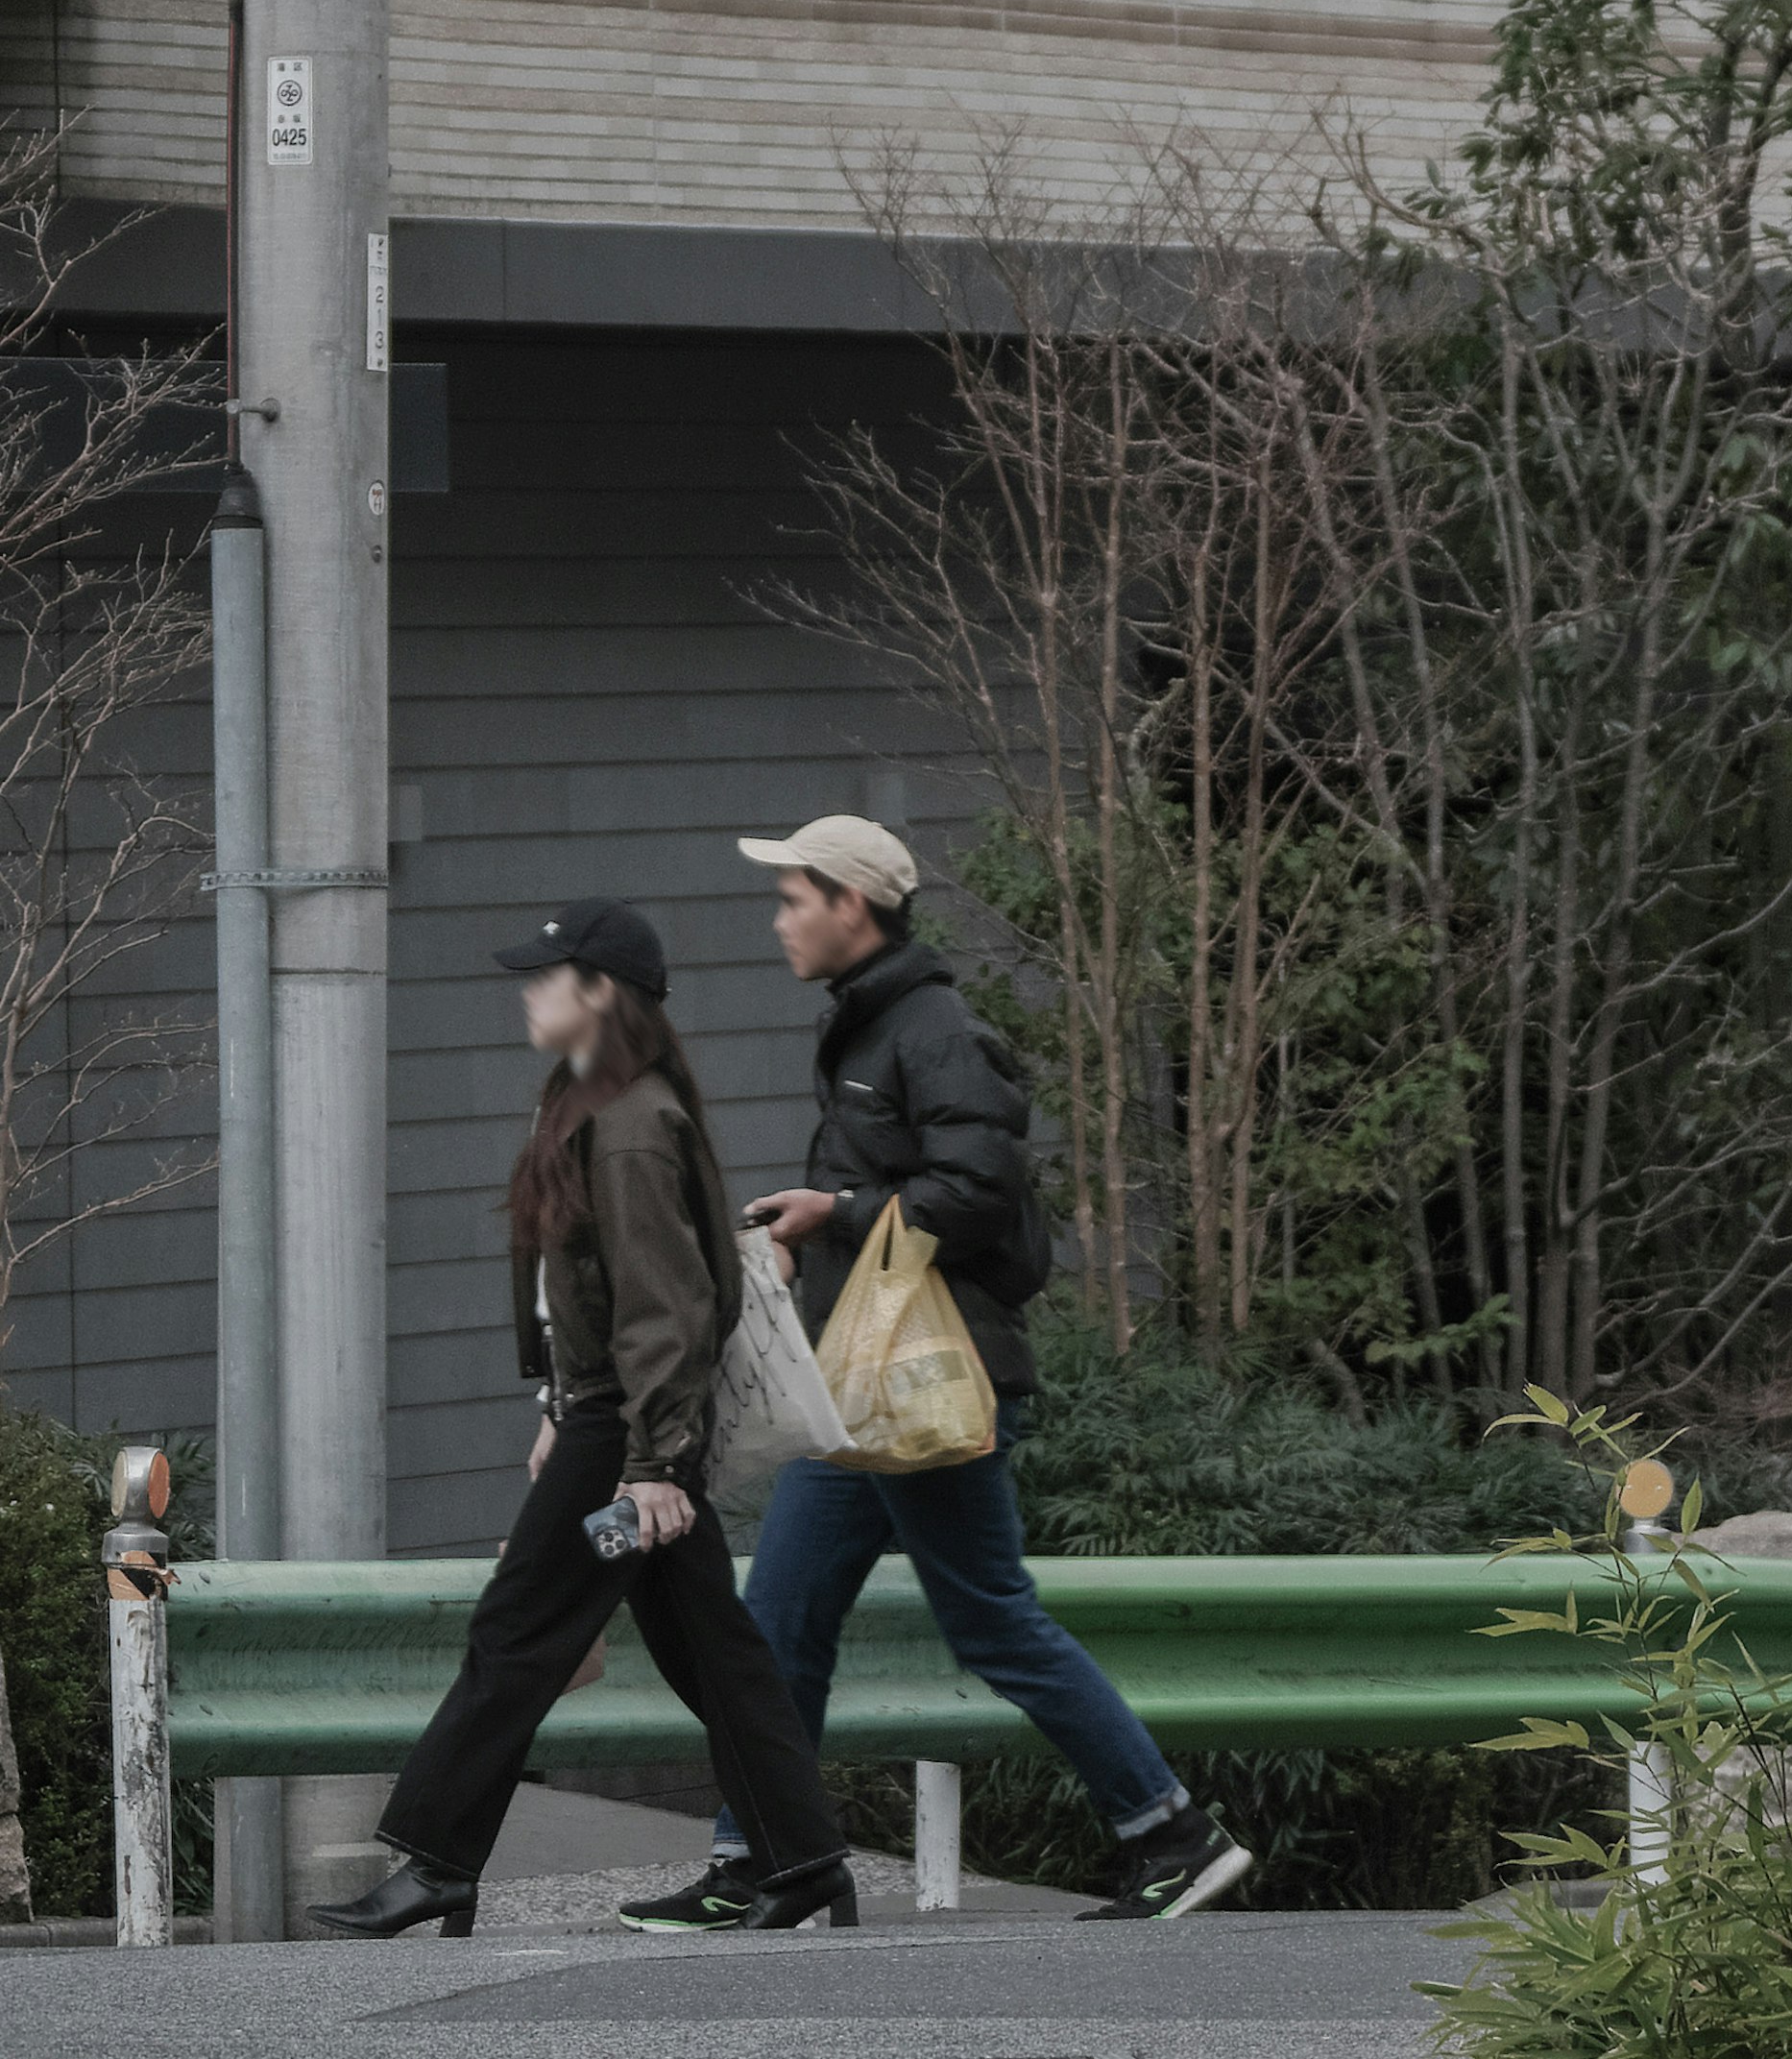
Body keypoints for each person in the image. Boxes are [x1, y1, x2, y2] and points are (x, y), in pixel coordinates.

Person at [622, 812, 1251, 1932]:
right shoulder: (875, 1028)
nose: (779, 920)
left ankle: (1170, 1832)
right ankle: (764, 1860)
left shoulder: (931, 1027)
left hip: (932, 1385)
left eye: (793, 898)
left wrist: (837, 1212)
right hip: (869, 1392)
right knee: (778, 1621)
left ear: (852, 906)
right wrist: (813, 1225)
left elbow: (979, 1192)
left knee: (991, 1621)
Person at [312, 907, 858, 1943]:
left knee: (517, 1631)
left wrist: (648, 1462)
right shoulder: (588, 1103)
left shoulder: (633, 1121)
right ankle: (805, 1857)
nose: (527, 991)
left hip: (631, 1436)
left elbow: (669, 1304)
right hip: (613, 1424)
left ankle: (435, 1861)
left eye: (546, 974)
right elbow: (599, 1301)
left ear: (601, 990)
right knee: (711, 1649)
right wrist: (560, 1410)